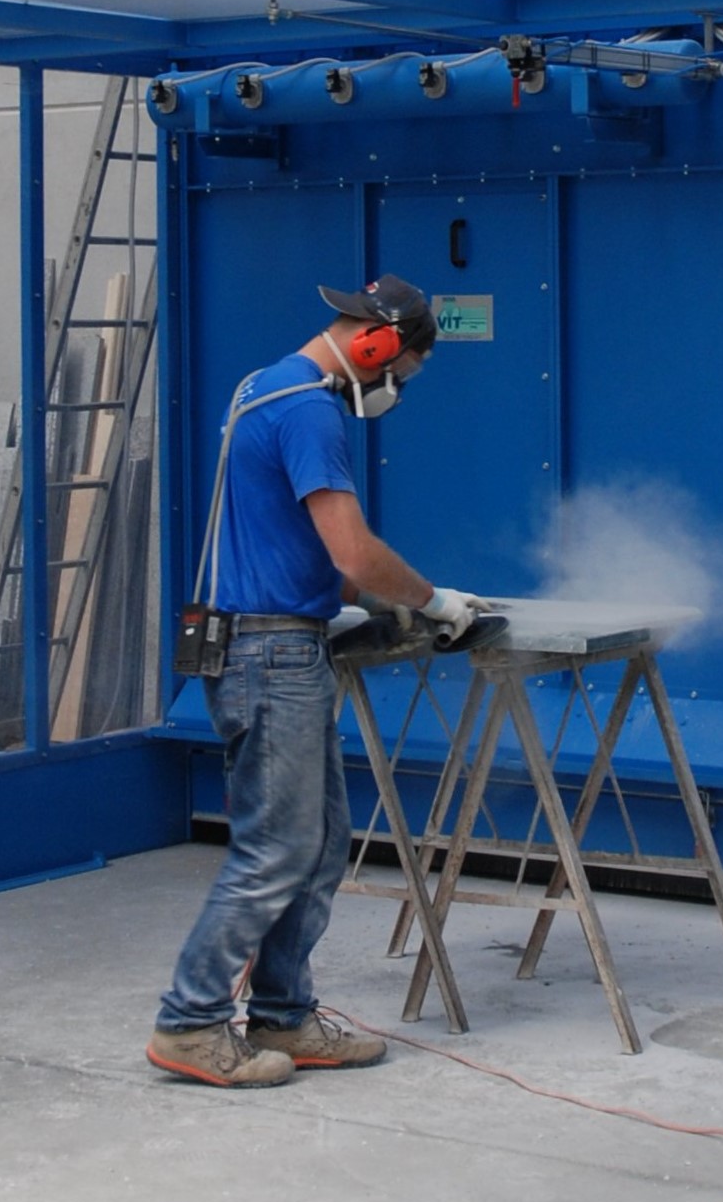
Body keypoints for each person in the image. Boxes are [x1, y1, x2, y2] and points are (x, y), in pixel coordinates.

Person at [146, 273, 485, 1088]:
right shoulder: (310, 410)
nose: (394, 387)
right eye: (400, 371)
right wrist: (435, 602)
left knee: (321, 841)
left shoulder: (261, 386)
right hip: (271, 654)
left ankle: (283, 1014)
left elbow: (292, 543)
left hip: (268, 640)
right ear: (376, 344)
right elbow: (352, 551)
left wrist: (343, 602)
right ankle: (189, 1020)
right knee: (277, 848)